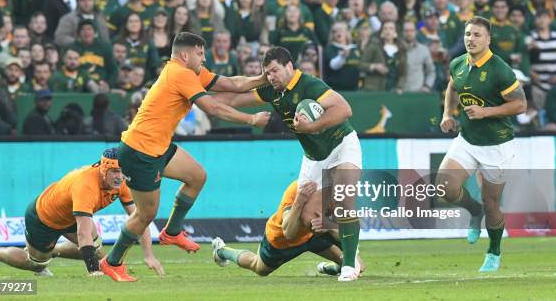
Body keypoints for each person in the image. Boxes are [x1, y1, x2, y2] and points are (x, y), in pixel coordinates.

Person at [99, 32, 271, 282]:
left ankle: (172, 231)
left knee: (197, 176)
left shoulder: (192, 72)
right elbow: (211, 108)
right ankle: (111, 262)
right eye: (200, 54)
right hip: (139, 151)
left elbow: (233, 84)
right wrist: (252, 119)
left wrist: (262, 78)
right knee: (145, 215)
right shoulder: (179, 73)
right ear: (184, 55)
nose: (204, 58)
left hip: (157, 146)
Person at [212, 46, 363, 281]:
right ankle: (342, 257)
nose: (271, 77)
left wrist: (310, 127)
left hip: (342, 144)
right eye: (267, 73)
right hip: (314, 158)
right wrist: (197, 95)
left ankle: (348, 266)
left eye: (274, 71)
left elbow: (345, 109)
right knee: (304, 219)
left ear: (290, 66)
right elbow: (230, 98)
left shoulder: (309, 84)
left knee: (344, 198)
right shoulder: (271, 91)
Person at [0, 148, 163, 277]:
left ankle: (51, 250)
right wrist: (94, 270)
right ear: (103, 169)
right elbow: (83, 233)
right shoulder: (86, 185)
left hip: (69, 213)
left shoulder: (122, 183)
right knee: (36, 264)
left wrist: (148, 254)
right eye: (114, 171)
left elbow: (140, 218)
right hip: (44, 217)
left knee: (96, 249)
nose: (118, 176)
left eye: (121, 171)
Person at [437, 16, 527, 272]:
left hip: (497, 146)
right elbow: (453, 86)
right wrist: (447, 114)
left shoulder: (500, 69)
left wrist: (486, 112)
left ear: (488, 39)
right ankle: (474, 211)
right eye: (467, 34)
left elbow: (521, 105)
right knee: (444, 187)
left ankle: (494, 251)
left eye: (477, 35)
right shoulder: (458, 64)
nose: (471, 39)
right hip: (467, 140)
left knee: (492, 204)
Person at [212, 180, 364, 277]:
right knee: (259, 268)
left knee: (358, 267)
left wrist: (329, 227)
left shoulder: (337, 194)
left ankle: (327, 268)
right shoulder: (297, 189)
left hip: (313, 235)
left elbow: (348, 233)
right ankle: (221, 251)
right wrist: (300, 202)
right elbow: (289, 232)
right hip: (281, 240)